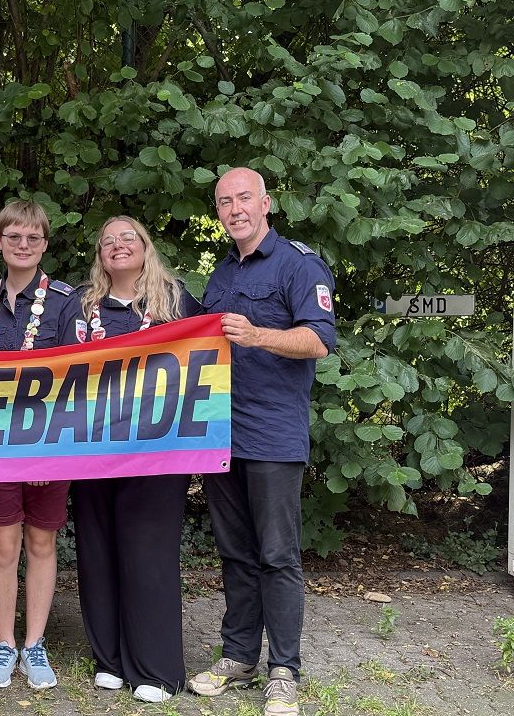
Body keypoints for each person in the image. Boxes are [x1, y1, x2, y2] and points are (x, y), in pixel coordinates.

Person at [187, 168, 336, 716]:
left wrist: (256, 335)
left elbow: (319, 340)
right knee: (236, 552)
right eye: (225, 201)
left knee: (277, 555)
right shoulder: (222, 272)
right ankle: (238, 656)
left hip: (272, 434)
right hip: (221, 433)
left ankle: (284, 670)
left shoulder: (300, 264)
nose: (235, 209)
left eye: (244, 198)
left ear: (266, 203)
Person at [72, 215, 201, 704]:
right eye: (108, 240)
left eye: (128, 237)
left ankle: (155, 669)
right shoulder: (80, 306)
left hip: (157, 451)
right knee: (97, 549)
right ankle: (108, 660)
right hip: (90, 448)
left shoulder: (177, 302)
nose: (118, 245)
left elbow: (205, 359)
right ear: (100, 255)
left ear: (146, 247)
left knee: (149, 553)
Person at [0, 201, 81, 690]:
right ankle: (4, 643)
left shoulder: (65, 301)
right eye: (13, 236)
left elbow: (78, 376)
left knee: (40, 542)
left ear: (45, 244)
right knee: (2, 544)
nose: (23, 245)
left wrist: (44, 452)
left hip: (49, 444)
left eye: (33, 237)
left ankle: (34, 643)